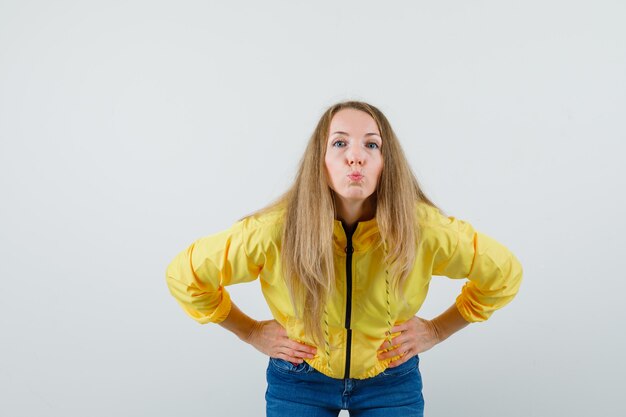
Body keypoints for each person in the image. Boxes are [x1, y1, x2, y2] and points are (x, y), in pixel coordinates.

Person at [165, 100, 523, 417]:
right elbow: (185, 276)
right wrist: (250, 332)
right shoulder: (275, 229)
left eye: (371, 144)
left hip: (391, 380)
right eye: (339, 143)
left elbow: (504, 273)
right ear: (319, 161)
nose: (356, 155)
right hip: (299, 378)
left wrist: (437, 330)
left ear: (386, 162)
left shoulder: (422, 228)